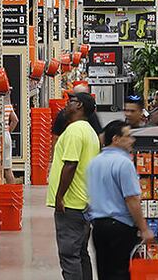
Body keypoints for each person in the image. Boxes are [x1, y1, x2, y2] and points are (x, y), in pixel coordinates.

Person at [87, 121, 155, 280]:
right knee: (120, 273)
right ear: (116, 139)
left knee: (104, 272)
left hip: (98, 227)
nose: (132, 140)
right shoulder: (124, 163)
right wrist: (144, 228)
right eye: (128, 136)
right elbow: (131, 199)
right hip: (120, 227)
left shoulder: (94, 163)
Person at [46, 92, 101, 280]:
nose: (66, 104)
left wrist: (60, 196)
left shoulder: (74, 131)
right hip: (84, 201)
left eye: (71, 101)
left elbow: (70, 165)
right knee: (81, 253)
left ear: (80, 106)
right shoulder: (88, 130)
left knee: (69, 256)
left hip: (71, 205)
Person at [3, 96, 19, 184]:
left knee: (6, 170)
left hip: (0, 135)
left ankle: (12, 192)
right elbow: (15, 120)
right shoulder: (8, 105)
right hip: (6, 136)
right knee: (7, 168)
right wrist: (8, 131)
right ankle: (12, 192)